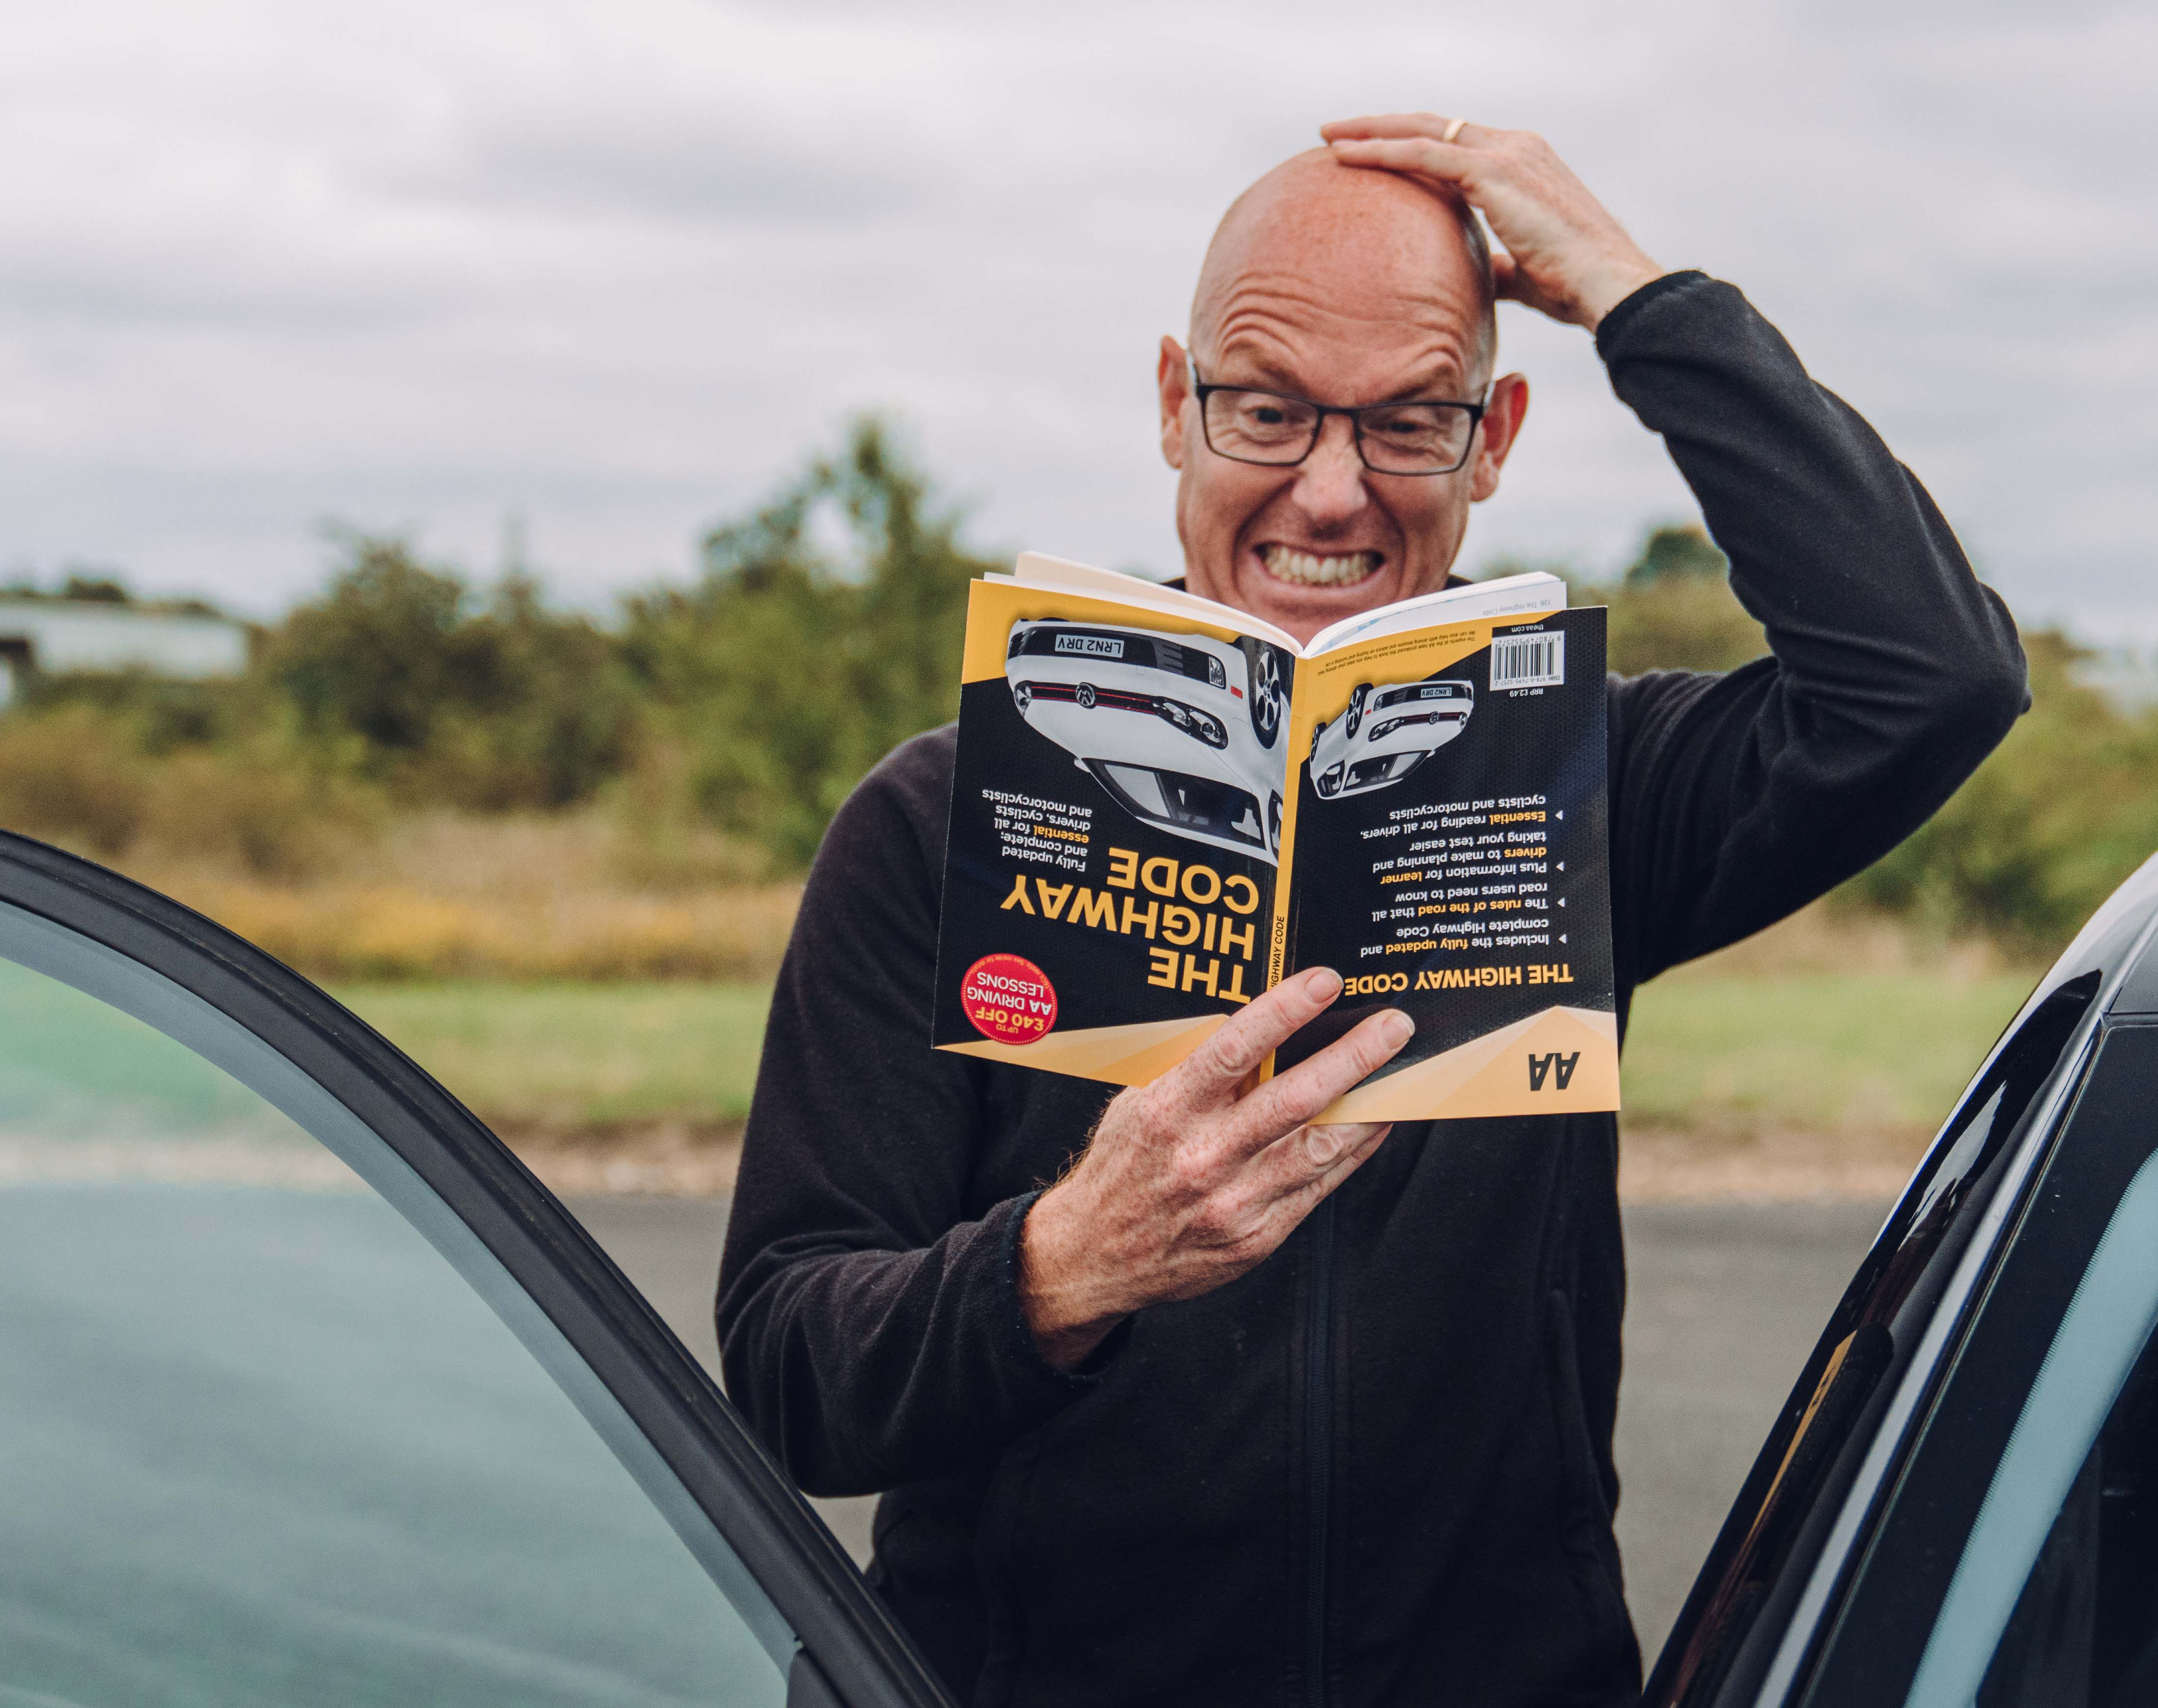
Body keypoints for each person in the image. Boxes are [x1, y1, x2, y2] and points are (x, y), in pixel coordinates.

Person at [718, 113, 2027, 1705]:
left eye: (1411, 423)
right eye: (1266, 411)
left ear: (1496, 440)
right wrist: (1065, 1262)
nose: (1331, 495)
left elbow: (1932, 679)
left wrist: (1639, 297)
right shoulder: (933, 822)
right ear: (1172, 409)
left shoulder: (1580, 787)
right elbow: (788, 1369)